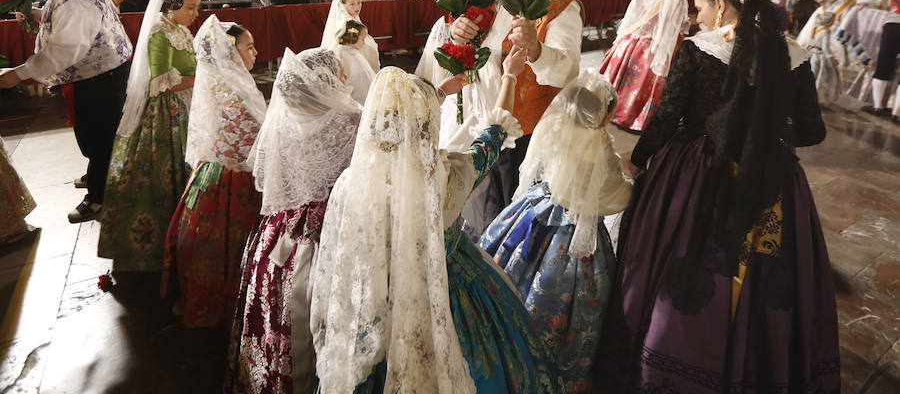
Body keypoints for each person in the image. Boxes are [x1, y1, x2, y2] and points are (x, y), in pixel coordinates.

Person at [595, 0, 839, 393]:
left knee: (677, 262)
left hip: (695, 176)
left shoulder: (698, 50)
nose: (698, 18)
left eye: (701, 9)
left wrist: (636, 162)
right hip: (774, 178)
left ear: (722, 6)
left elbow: (667, 118)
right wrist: (765, 133)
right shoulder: (793, 53)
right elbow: (813, 131)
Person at [311, 60, 561, 394]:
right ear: (427, 126)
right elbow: (491, 139)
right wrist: (510, 77)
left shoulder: (351, 182)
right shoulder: (444, 177)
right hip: (451, 287)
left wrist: (439, 92)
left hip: (375, 295)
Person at [416, 0, 583, 234]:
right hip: (475, 121)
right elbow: (467, 47)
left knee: (510, 214)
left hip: (521, 132)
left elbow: (567, 71)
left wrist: (536, 50)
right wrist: (458, 31)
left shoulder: (560, 6)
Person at [479, 71, 631, 392]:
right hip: (574, 232)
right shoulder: (598, 145)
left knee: (516, 264)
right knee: (570, 297)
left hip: (536, 211)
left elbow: (534, 170)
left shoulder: (553, 127)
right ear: (602, 117)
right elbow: (611, 195)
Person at [226, 47, 363, 394]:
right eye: (339, 73)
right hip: (335, 232)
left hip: (284, 233)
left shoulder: (282, 121)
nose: (345, 79)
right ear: (325, 82)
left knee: (282, 312)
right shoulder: (351, 122)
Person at [0, 0, 133, 222]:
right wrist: (39, 14)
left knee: (99, 138)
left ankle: (100, 198)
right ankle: (98, 174)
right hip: (100, 69)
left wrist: (17, 74)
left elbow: (63, 50)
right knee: (93, 134)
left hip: (100, 75)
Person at [162, 17, 266, 327]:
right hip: (234, 176)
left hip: (212, 171)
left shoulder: (223, 79)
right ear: (231, 52)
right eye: (250, 47)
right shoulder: (234, 89)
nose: (256, 52)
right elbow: (251, 137)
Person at [98, 0, 200, 271]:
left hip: (186, 103)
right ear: (174, 6)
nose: (195, 14)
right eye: (191, 8)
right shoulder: (159, 31)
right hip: (167, 112)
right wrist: (203, 76)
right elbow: (161, 82)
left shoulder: (179, 28)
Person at [599, 0, 689, 131]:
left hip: (634, 40)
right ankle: (639, 118)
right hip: (659, 45)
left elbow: (632, 16)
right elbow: (679, 26)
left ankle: (612, 108)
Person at [322, 0, 380, 76]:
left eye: (359, 3)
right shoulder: (346, 23)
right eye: (352, 4)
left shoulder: (354, 17)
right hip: (351, 63)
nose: (357, 7)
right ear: (343, 5)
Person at [336, 20, 376, 105]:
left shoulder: (353, 53)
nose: (364, 43)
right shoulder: (347, 55)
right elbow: (357, 81)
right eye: (363, 39)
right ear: (353, 37)